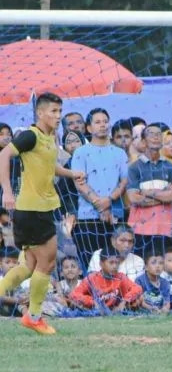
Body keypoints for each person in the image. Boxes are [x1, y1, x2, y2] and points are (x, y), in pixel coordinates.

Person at [0, 93, 86, 334]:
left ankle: (32, 315)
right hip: (31, 209)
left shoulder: (50, 137)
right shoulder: (30, 135)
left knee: (29, 266)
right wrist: (7, 191)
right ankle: (34, 316)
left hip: (43, 208)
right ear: (40, 113)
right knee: (47, 262)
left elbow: (51, 166)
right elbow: (3, 155)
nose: (58, 116)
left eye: (60, 111)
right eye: (54, 112)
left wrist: (72, 173)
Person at [71, 108, 129, 270]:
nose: (102, 125)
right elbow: (79, 183)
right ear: (89, 128)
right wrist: (99, 204)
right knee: (91, 264)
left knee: (115, 264)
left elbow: (124, 181)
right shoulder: (80, 153)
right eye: (97, 122)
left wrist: (109, 201)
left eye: (105, 121)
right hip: (87, 217)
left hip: (114, 216)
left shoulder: (119, 153)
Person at [127, 124, 172, 258]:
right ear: (143, 141)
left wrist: (147, 192)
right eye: (151, 134)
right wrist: (163, 194)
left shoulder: (171, 167)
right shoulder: (134, 167)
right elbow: (133, 198)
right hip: (140, 229)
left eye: (158, 134)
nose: (156, 137)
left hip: (164, 228)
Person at [70, 248, 143, 314]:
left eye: (117, 263)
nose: (115, 266)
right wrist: (92, 302)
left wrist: (124, 301)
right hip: (95, 309)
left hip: (116, 309)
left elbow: (137, 288)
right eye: (111, 263)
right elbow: (74, 294)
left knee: (139, 298)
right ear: (101, 264)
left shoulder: (120, 277)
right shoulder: (92, 278)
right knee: (74, 302)